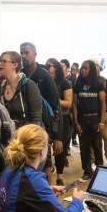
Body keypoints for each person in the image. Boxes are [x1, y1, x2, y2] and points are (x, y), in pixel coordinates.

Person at [19, 42, 64, 176]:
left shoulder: (44, 76)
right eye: (21, 53)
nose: (23, 56)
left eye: (26, 52)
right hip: (25, 129)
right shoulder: (20, 75)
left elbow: (56, 107)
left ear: (35, 54)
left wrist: (57, 137)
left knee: (45, 165)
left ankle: (46, 194)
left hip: (43, 128)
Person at [73, 60, 106, 181]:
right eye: (82, 68)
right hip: (83, 119)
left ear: (91, 69)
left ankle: (100, 170)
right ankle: (87, 171)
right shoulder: (78, 83)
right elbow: (75, 104)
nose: (83, 70)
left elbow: (103, 104)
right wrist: (76, 122)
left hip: (95, 118)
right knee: (84, 148)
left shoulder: (98, 83)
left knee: (97, 146)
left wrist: (102, 122)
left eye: (86, 68)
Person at [0, 51, 42, 129]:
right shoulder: (2, 87)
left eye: (4, 61)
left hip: (27, 137)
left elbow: (36, 120)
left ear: (15, 65)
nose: (0, 64)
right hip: (10, 138)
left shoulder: (28, 85)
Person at [47, 57, 73, 185]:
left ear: (56, 68)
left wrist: (53, 100)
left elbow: (68, 103)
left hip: (62, 118)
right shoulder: (44, 81)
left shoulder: (64, 83)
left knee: (59, 148)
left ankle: (60, 175)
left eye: (49, 65)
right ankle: (48, 170)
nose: (47, 67)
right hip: (47, 119)